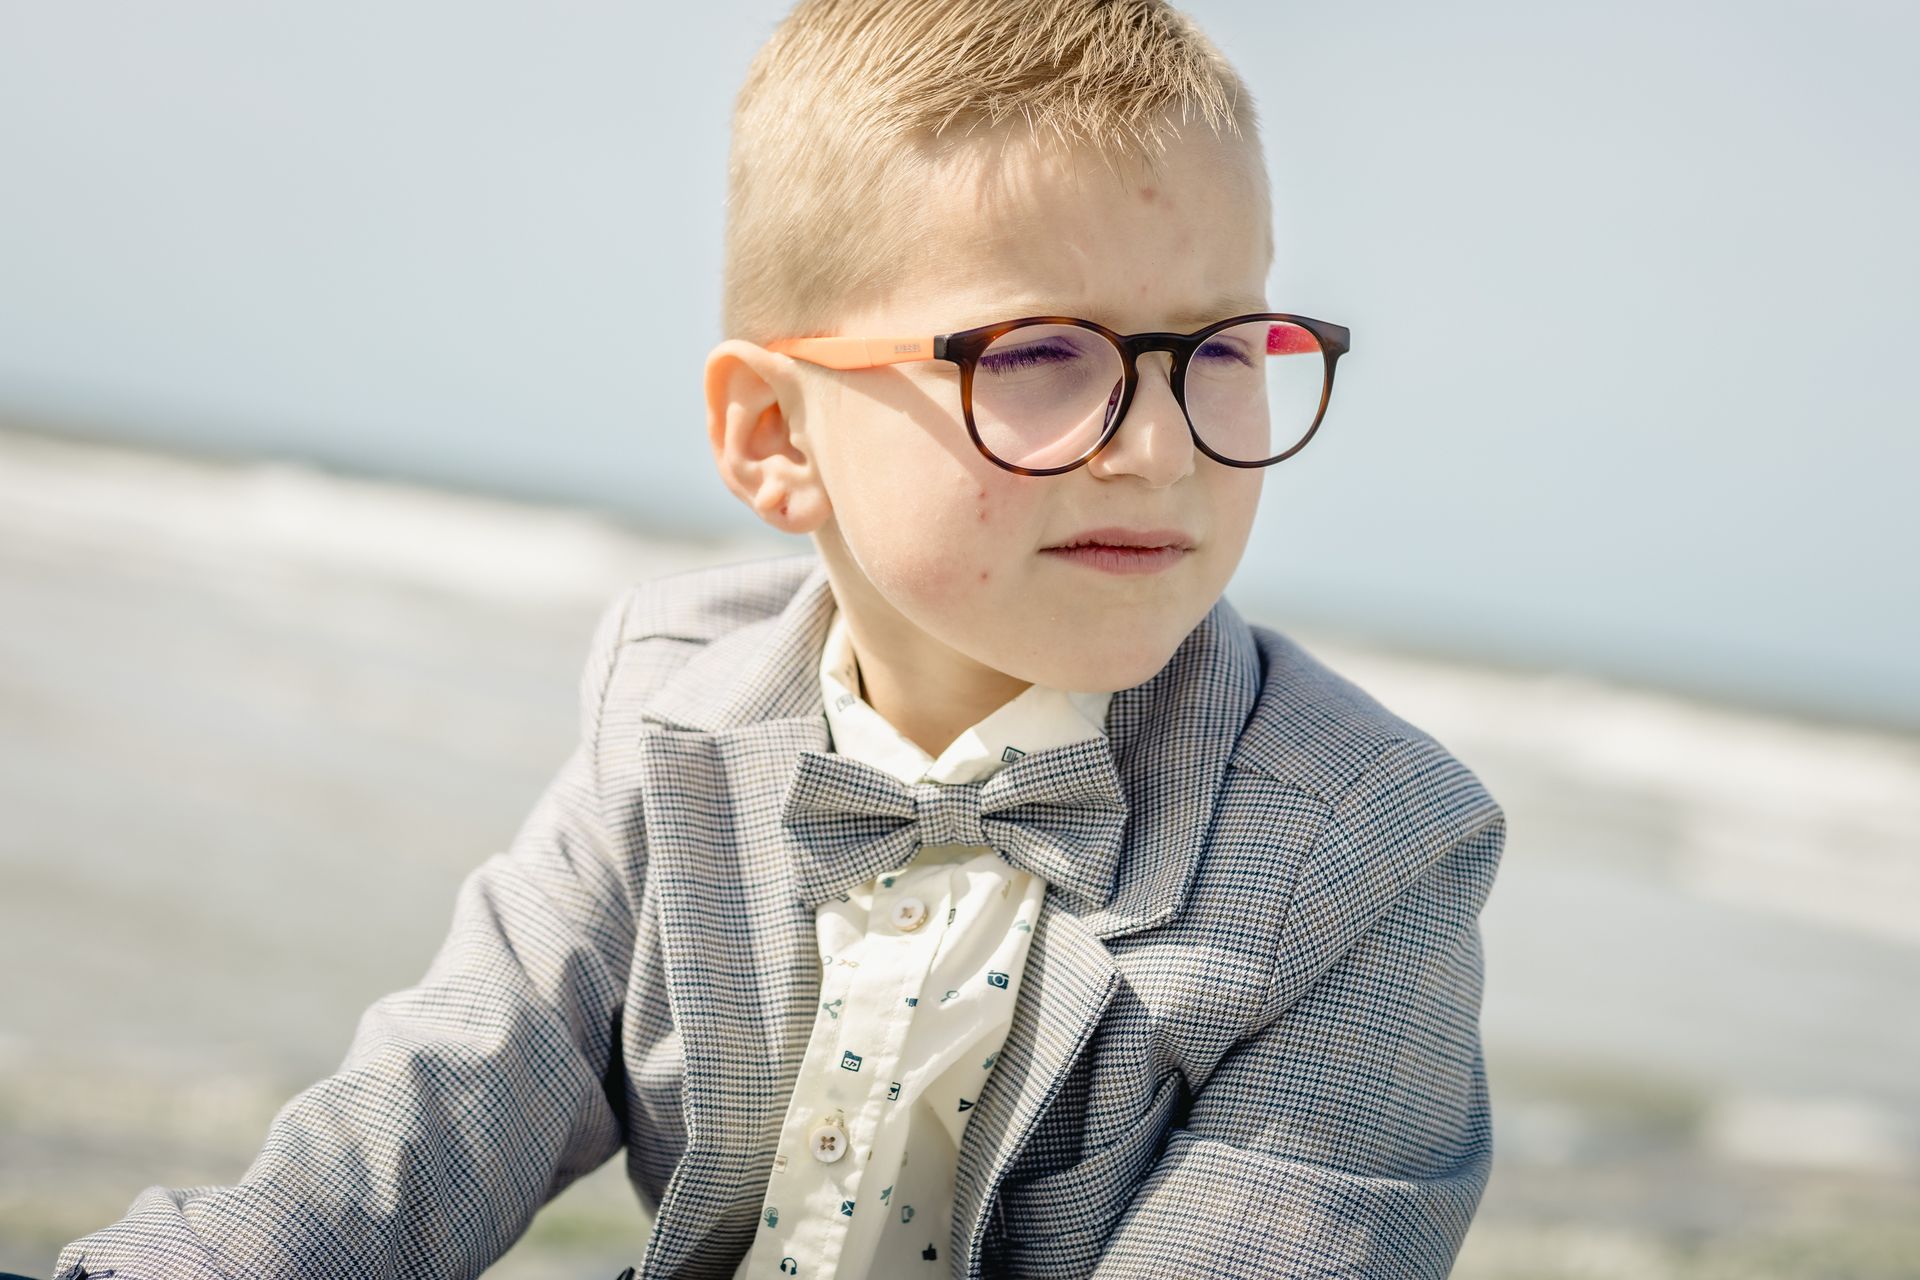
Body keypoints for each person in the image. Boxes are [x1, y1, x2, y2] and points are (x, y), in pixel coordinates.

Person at [49, 2, 1506, 1277]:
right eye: (1042, 357)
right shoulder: (673, 708)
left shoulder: (1375, 857)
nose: (1155, 447)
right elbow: (422, 1123)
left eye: (1224, 351)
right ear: (773, 436)